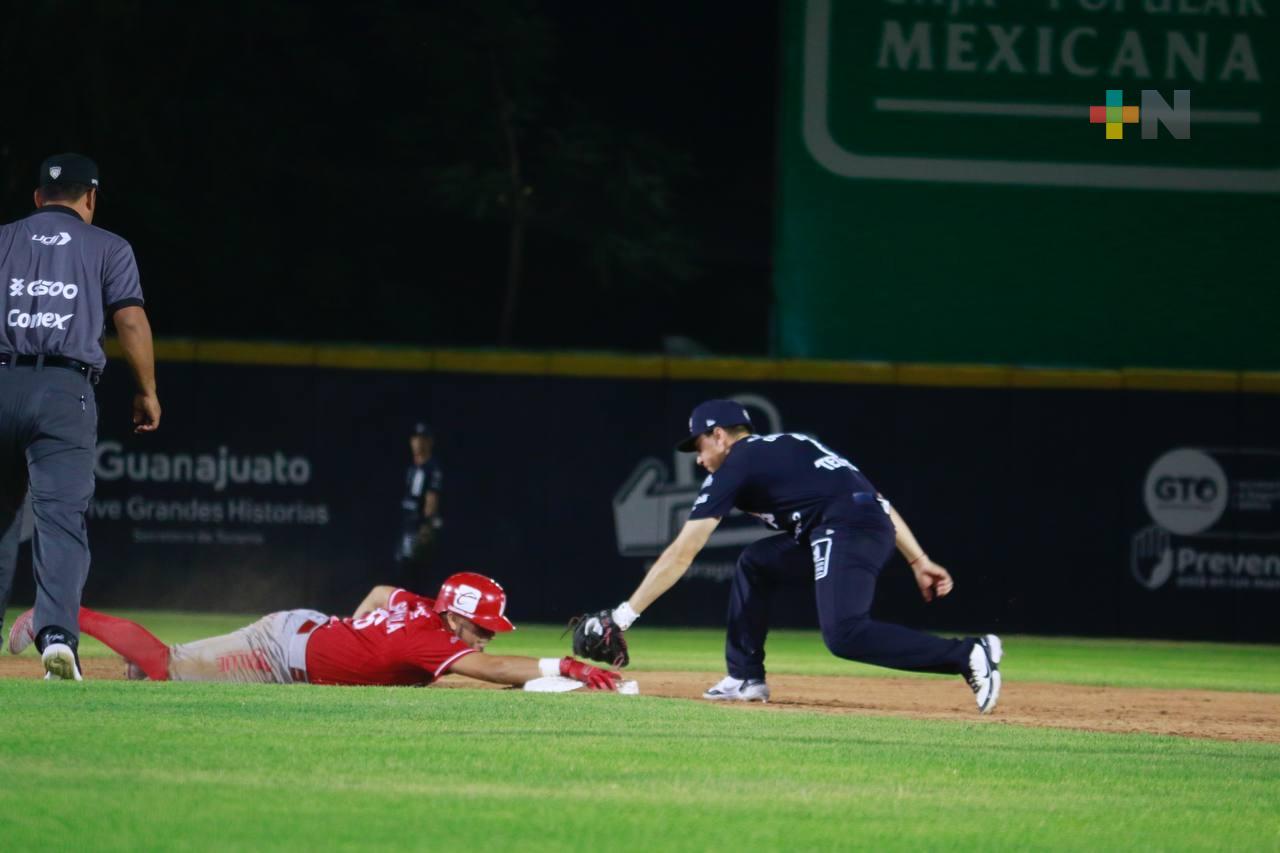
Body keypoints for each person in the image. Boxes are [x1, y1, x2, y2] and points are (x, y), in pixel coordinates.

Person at [578, 399, 1004, 713]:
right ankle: (745, 676)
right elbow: (878, 501)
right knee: (756, 562)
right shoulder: (792, 443)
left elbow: (681, 552)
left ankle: (967, 654)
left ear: (720, 436)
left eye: (700, 446)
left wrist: (621, 617)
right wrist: (917, 559)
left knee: (845, 634)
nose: (700, 459)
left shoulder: (735, 465)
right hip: (857, 524)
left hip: (845, 528)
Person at [0, 153, 160, 682]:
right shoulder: (108, 246)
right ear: (90, 197)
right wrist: (147, 391)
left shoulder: (3, 239)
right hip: (65, 391)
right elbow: (130, 321)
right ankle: (58, 640)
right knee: (60, 521)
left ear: (37, 198)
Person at [7, 572, 620, 691]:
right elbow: (486, 671)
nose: (486, 636)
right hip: (280, 652)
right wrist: (560, 666)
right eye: (480, 624)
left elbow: (383, 591)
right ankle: (55, 612)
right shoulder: (432, 638)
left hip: (306, 634)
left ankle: (123, 657)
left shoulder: (420, 609)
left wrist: (352, 634)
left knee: (163, 672)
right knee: (166, 666)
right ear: (454, 613)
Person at [393, 422, 443, 588]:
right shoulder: (412, 468)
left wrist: (427, 525)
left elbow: (431, 499)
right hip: (406, 524)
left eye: (423, 439)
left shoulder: (432, 468)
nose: (418, 443)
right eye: (415, 439)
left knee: (418, 571)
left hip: (419, 526)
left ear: (430, 442)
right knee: (403, 569)